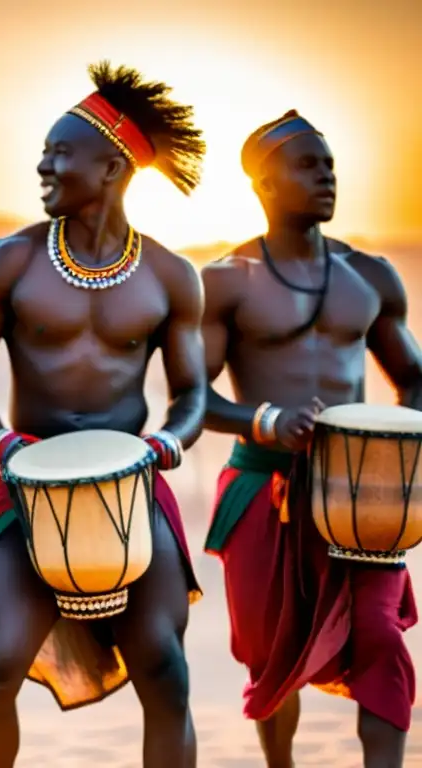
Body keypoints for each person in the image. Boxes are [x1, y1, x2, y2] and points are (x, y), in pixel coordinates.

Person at [0, 61, 206, 768]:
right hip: (24, 486)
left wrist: (169, 444)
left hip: (132, 488)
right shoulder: (7, 261)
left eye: (60, 153)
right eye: (45, 152)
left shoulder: (172, 275)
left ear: (113, 166)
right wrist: (1, 441)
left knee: (166, 672)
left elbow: (192, 393)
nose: (43, 164)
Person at [201, 110, 419, 768]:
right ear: (264, 185)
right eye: (307, 165)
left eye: (329, 164)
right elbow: (193, 397)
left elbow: (413, 378)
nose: (326, 176)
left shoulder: (370, 276)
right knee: (270, 651)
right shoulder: (225, 280)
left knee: (380, 638)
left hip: (363, 496)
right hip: (262, 484)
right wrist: (265, 420)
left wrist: (390, 441)